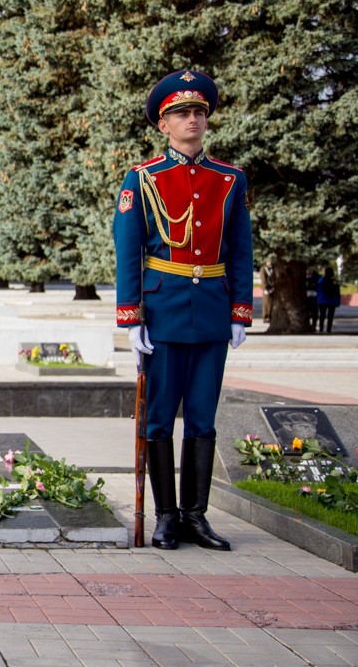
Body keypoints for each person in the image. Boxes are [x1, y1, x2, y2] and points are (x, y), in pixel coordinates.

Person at [113, 69, 253, 552]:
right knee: (158, 420)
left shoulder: (229, 179)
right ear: (163, 124)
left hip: (212, 310)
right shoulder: (143, 179)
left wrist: (239, 311)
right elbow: (129, 251)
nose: (192, 119)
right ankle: (166, 517)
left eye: (198, 112)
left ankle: (196, 516)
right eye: (181, 113)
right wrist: (130, 316)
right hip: (164, 312)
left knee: (202, 419)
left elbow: (241, 250)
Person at [316, 266, 341, 333]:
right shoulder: (335, 281)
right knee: (330, 316)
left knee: (322, 315)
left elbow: (318, 290)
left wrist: (318, 300)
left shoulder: (321, 280)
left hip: (322, 300)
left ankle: (321, 329)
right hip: (332, 301)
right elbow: (338, 292)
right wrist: (338, 301)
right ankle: (328, 329)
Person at [260, 259, 275, 324]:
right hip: (266, 289)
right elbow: (263, 279)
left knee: (272, 303)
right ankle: (266, 317)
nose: (270, 263)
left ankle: (271, 317)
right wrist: (265, 288)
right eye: (268, 261)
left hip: (273, 288)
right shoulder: (263, 269)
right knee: (266, 303)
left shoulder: (273, 268)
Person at [304, 266, 319, 331]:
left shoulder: (315, 277)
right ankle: (308, 325)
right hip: (306, 296)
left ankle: (313, 325)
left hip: (313, 296)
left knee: (314, 312)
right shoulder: (304, 277)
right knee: (307, 312)